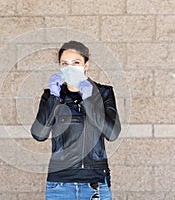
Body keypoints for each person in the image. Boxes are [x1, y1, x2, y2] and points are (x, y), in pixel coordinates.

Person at [31, 41, 121, 200]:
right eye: (65, 63)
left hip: (95, 183)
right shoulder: (52, 95)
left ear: (86, 65)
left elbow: (112, 133)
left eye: (76, 63)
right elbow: (39, 134)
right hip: (60, 184)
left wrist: (88, 100)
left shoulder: (104, 93)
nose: (70, 68)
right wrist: (54, 98)